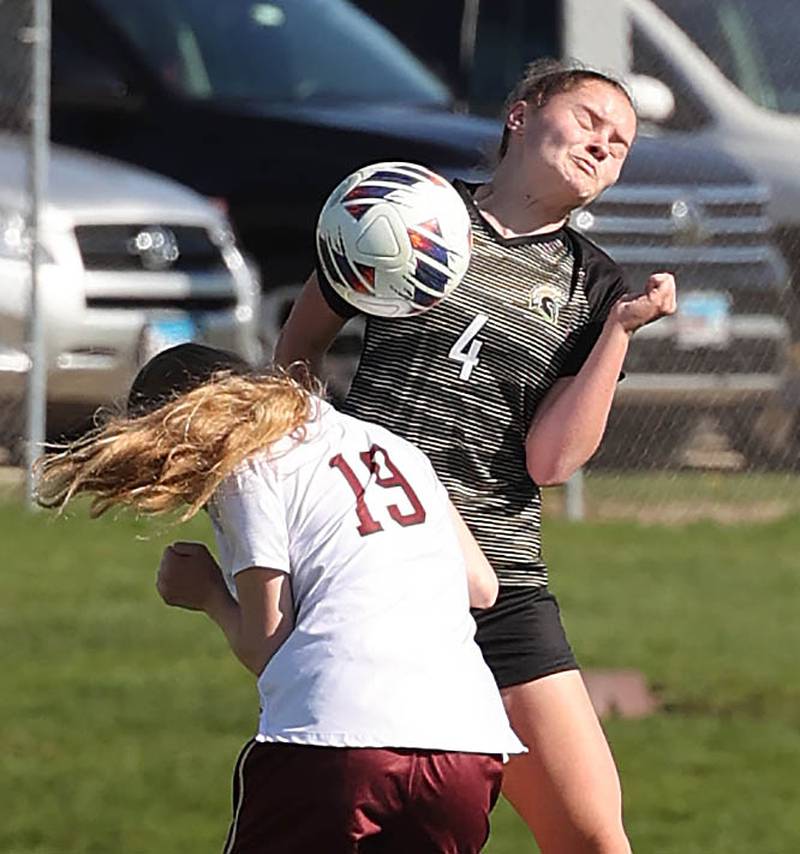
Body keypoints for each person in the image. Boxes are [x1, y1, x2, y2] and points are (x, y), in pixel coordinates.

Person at [274, 58, 677, 854]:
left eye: (622, 143)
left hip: (500, 576)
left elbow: (553, 462)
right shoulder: (409, 210)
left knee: (595, 838)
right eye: (591, 119)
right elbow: (297, 353)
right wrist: (316, 469)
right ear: (521, 115)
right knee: (366, 825)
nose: (605, 145)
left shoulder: (595, 286)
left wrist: (619, 333)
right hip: (377, 566)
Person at [35, 342, 524, 854]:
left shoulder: (249, 461)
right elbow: (482, 586)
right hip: (467, 741)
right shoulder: (389, 445)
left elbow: (268, 645)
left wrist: (208, 595)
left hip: (337, 740)